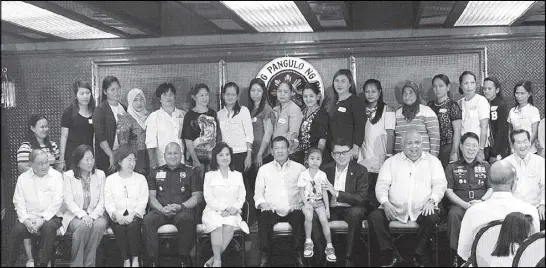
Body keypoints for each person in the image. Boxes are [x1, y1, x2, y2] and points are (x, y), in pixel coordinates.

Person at [369, 129, 447, 267]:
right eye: (409, 143)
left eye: (417, 142)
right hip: (394, 210)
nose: (414, 146)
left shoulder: (433, 161)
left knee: (432, 217)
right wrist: (385, 203)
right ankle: (391, 254)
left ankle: (418, 255)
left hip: (422, 209)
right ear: (402, 145)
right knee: (374, 217)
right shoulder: (391, 162)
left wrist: (432, 200)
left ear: (422, 144)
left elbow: (440, 185)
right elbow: (381, 185)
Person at [457, 159, 540, 262]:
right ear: (514, 182)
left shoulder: (473, 212)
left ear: (490, 182)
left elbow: (464, 252)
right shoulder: (529, 210)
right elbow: (533, 249)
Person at [143, 142, 204, 267]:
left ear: (181, 155)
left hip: (182, 210)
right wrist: (161, 208)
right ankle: (153, 261)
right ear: (164, 156)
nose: (172, 156)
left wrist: (181, 207)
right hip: (160, 210)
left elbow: (197, 196)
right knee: (148, 220)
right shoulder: (155, 172)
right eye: (169, 153)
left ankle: (183, 259)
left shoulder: (190, 172)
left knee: (186, 219)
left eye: (176, 153)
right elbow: (151, 197)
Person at [312, 138, 369, 267]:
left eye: (344, 152)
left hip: (351, 208)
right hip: (331, 208)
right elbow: (317, 194)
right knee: (314, 215)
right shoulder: (325, 170)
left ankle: (348, 259)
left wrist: (336, 193)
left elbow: (361, 198)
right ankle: (321, 258)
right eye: (337, 153)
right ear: (332, 155)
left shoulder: (361, 170)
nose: (341, 156)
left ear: (350, 153)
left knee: (356, 213)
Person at [16, 115, 62, 267]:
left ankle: (44, 261)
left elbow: (57, 165)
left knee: (48, 226)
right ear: (32, 128)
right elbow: (23, 168)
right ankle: (29, 259)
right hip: (32, 189)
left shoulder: (52, 145)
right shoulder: (26, 146)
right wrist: (40, 169)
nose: (45, 129)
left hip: (51, 187)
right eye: (42, 126)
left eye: (46, 126)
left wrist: (48, 172)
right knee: (22, 226)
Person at [254, 136, 306, 267]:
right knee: (264, 217)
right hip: (271, 210)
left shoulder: (300, 168)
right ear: (272, 151)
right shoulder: (264, 169)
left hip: (294, 209)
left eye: (283, 147)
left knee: (300, 216)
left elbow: (307, 191)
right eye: (276, 148)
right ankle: (265, 256)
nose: (280, 151)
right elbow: (258, 194)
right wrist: (263, 204)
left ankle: (298, 254)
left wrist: (301, 203)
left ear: (289, 149)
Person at [7, 149, 63, 267]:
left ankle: (42, 264)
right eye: (40, 163)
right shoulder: (23, 178)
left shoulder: (56, 176)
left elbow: (57, 202)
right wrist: (26, 220)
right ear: (31, 164)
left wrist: (42, 219)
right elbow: (18, 202)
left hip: (51, 217)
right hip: (29, 217)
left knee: (48, 228)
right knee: (16, 231)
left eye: (46, 162)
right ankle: (9, 263)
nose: (44, 166)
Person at [444, 132, 493, 267]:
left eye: (474, 146)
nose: (471, 149)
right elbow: (448, 191)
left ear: (478, 148)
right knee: (453, 215)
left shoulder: (486, 166)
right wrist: (465, 205)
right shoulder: (452, 167)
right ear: (461, 146)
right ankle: (456, 255)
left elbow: (491, 188)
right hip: (459, 204)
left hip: (481, 203)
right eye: (468, 145)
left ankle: (484, 255)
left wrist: (482, 201)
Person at [202, 143, 249, 267]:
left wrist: (234, 209)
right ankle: (218, 261)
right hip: (213, 211)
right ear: (215, 158)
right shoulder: (209, 175)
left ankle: (213, 260)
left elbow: (241, 196)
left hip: (233, 212)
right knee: (217, 224)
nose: (224, 157)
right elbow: (209, 198)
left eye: (227, 154)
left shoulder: (238, 175)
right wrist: (226, 208)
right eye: (221, 155)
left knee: (229, 225)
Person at [61, 144, 108, 267]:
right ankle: (77, 264)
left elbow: (103, 201)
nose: (90, 162)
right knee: (83, 227)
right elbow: (68, 201)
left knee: (100, 224)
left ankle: (88, 264)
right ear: (78, 162)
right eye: (86, 159)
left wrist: (92, 217)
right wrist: (83, 215)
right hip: (74, 215)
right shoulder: (68, 176)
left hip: (95, 214)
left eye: (92, 158)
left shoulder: (100, 174)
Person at [104, 145, 149, 267]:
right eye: (129, 160)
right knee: (119, 228)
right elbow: (108, 201)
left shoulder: (141, 179)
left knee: (133, 227)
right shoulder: (110, 180)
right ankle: (125, 260)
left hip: (135, 215)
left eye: (134, 160)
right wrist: (115, 214)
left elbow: (143, 200)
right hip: (117, 216)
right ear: (119, 161)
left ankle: (135, 259)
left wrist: (133, 214)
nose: (132, 163)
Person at [358, 79, 395, 208]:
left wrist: (389, 155)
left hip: (380, 157)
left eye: (373, 91)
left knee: (378, 193)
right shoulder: (360, 109)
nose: (370, 94)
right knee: (364, 195)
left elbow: (391, 134)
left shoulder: (387, 109)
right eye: (367, 91)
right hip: (363, 157)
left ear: (380, 92)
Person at [298, 148, 335, 261]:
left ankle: (329, 246)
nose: (315, 161)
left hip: (319, 203)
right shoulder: (303, 174)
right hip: (307, 202)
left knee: (324, 220)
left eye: (318, 159)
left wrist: (327, 208)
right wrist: (305, 203)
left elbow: (324, 193)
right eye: (312, 158)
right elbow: (301, 190)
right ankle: (308, 242)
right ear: (307, 160)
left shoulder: (322, 175)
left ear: (321, 161)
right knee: (308, 216)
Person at [247, 78, 275, 225]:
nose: (256, 93)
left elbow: (268, 133)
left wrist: (259, 154)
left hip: (263, 155)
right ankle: (255, 221)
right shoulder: (249, 109)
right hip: (250, 155)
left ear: (263, 92)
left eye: (259, 90)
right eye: (253, 90)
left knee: (262, 189)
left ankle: (263, 221)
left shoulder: (267, 109)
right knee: (252, 189)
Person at [504, 129, 545, 227]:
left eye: (525, 141)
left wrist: (543, 204)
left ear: (530, 142)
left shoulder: (540, 162)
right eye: (518, 142)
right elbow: (504, 190)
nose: (523, 145)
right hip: (514, 211)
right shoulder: (506, 163)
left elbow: (544, 186)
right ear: (513, 145)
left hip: (536, 209)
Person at [182, 83, 221, 175]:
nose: (205, 98)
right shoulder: (189, 115)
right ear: (194, 97)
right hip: (196, 158)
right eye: (201, 95)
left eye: (206, 94)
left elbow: (217, 134)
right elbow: (188, 140)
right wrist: (195, 160)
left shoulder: (212, 113)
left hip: (212, 157)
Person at [394, 81, 440, 157]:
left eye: (411, 92)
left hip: (423, 159)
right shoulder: (397, 113)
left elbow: (434, 137)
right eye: (404, 93)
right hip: (401, 160)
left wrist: (433, 158)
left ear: (417, 94)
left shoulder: (427, 112)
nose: (407, 95)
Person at [145, 82, 186, 169]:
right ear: (159, 98)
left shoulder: (183, 115)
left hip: (182, 160)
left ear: (175, 96)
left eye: (171, 94)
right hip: (162, 162)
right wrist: (153, 162)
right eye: (165, 95)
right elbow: (150, 143)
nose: (168, 97)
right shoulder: (154, 116)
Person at [328, 69, 365, 161]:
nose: (339, 84)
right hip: (333, 150)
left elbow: (360, 125)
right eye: (336, 81)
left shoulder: (355, 101)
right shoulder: (331, 102)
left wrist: (356, 146)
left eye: (343, 81)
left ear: (350, 84)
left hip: (348, 150)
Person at [93, 76, 127, 174]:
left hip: (121, 154)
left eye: (118, 88)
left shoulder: (123, 107)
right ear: (105, 91)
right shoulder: (100, 110)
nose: (116, 92)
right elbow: (100, 136)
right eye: (112, 89)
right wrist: (111, 155)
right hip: (106, 155)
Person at [218, 82, 254, 174]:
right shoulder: (219, 114)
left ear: (237, 96)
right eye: (227, 94)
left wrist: (249, 155)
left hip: (242, 154)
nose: (230, 97)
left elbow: (249, 135)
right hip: (225, 156)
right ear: (223, 95)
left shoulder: (244, 111)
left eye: (233, 94)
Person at [427, 74, 462, 168]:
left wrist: (454, 152)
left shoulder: (452, 105)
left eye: (441, 86)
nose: (438, 89)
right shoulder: (429, 106)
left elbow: (457, 130)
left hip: (448, 147)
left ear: (448, 87)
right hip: (432, 146)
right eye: (435, 86)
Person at [59, 81, 95, 170]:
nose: (85, 96)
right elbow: (64, 136)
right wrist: (61, 159)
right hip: (72, 154)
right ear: (76, 96)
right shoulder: (69, 112)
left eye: (88, 93)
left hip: (88, 155)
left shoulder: (95, 111)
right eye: (82, 93)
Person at [293, 82, 329, 165]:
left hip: (314, 158)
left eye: (311, 96)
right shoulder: (303, 112)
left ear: (318, 96)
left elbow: (322, 140)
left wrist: (316, 158)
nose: (308, 99)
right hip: (302, 155)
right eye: (305, 96)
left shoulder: (322, 114)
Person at [457, 71, 490, 162]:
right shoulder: (459, 103)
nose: (469, 86)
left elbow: (484, 127)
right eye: (466, 83)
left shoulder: (481, 101)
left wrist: (481, 150)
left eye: (472, 83)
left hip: (478, 148)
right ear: (461, 85)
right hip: (464, 148)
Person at [117, 88, 150, 176]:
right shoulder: (125, 119)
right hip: (134, 157)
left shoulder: (149, 117)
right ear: (130, 102)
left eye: (141, 99)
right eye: (135, 100)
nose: (139, 103)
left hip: (150, 155)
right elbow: (123, 144)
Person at [482, 76, 511, 162]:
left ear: (497, 90)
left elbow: (501, 129)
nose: (486, 91)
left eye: (489, 88)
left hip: (498, 147)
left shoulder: (501, 104)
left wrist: (494, 151)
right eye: (484, 89)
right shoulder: (482, 103)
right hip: (487, 147)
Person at [507, 80, 541, 154]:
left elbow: (534, 132)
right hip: (515, 151)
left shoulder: (534, 110)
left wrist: (525, 147)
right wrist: (512, 147)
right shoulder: (512, 111)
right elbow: (510, 131)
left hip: (530, 151)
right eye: (517, 93)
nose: (519, 96)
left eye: (522, 93)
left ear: (529, 94)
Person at [272, 81, 303, 155]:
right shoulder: (276, 109)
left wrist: (284, 149)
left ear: (291, 93)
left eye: (285, 92)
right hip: (275, 151)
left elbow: (293, 133)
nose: (282, 94)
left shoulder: (294, 109)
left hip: (288, 152)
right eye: (279, 91)